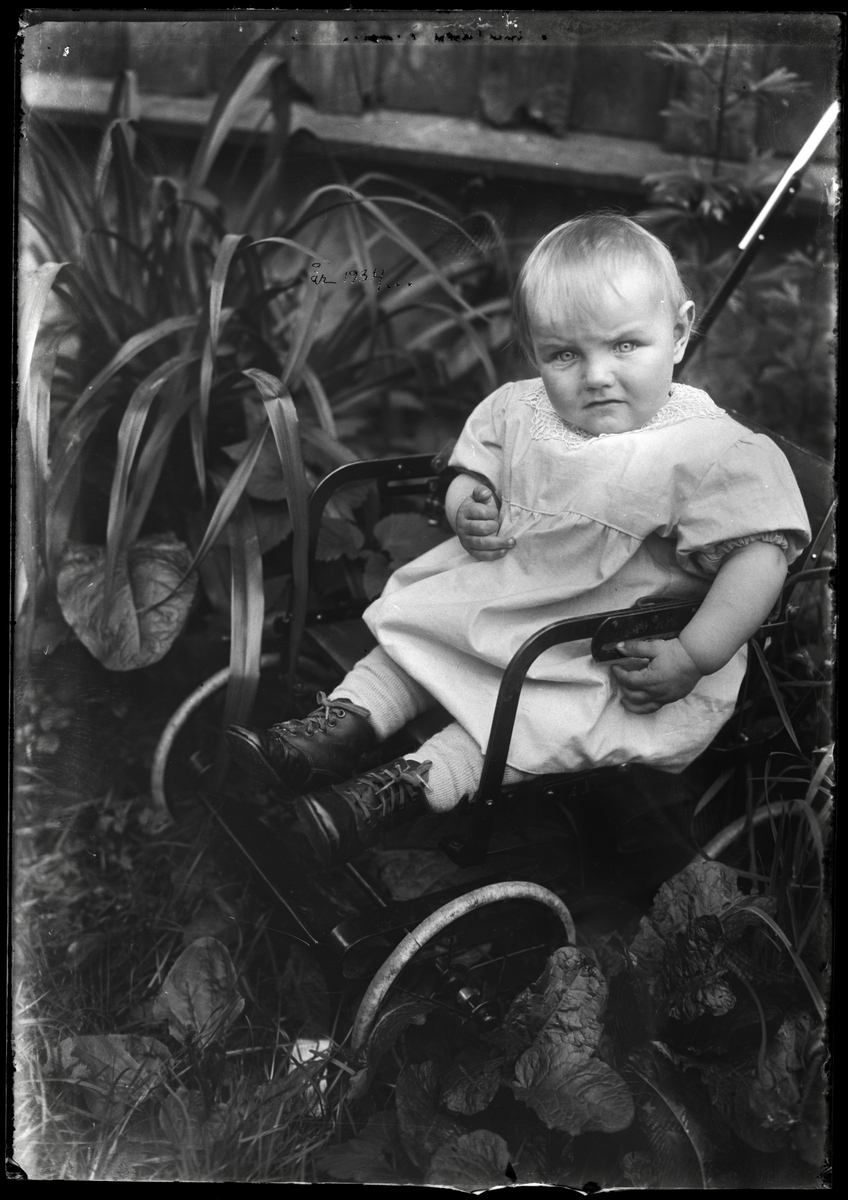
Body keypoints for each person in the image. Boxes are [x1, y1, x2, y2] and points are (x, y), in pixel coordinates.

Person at [227, 214, 811, 869]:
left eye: (625, 345)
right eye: (564, 354)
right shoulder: (522, 409)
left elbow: (759, 559)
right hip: (496, 598)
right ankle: (339, 727)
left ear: (678, 333)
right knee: (419, 636)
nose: (596, 375)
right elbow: (471, 466)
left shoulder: (712, 452)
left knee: (533, 717)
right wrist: (466, 501)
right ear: (534, 351)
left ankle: (404, 787)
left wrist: (695, 655)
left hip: (589, 647)